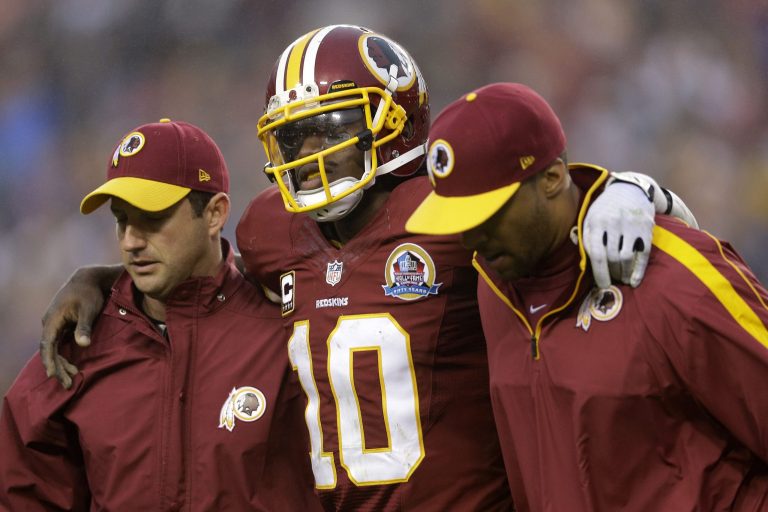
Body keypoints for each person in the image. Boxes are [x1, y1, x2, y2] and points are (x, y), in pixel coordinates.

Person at [38, 26, 694, 511]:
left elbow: (544, 213)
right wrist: (108, 282)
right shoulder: (269, 231)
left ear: (393, 119)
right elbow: (213, 293)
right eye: (292, 138)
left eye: (327, 130)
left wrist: (626, 188)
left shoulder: (447, 212)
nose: (307, 154)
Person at [405, 82, 768, 511]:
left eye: (489, 214)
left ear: (553, 178)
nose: (472, 238)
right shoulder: (491, 287)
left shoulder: (672, 278)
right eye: (458, 219)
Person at [0, 119, 320, 511]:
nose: (131, 241)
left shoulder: (289, 326)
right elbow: (22, 491)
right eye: (121, 219)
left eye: (152, 219)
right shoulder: (78, 346)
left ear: (215, 213)